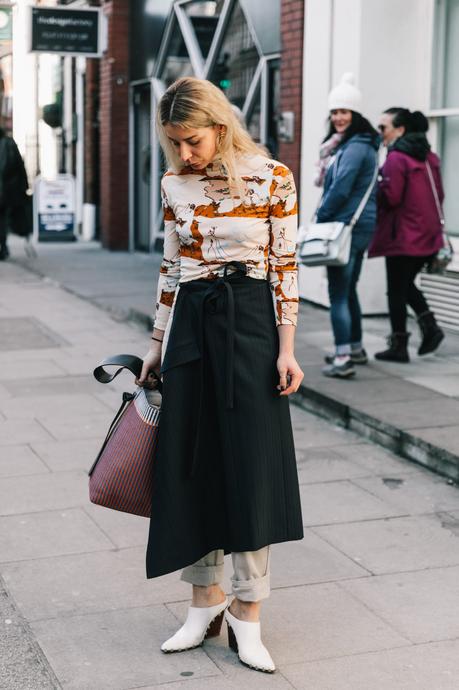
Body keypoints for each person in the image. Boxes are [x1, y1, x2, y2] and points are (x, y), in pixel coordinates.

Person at [137, 77, 304, 673]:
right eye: (175, 143)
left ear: (219, 125)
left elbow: (285, 265)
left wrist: (287, 350)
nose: (185, 153)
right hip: (191, 332)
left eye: (193, 139)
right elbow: (172, 264)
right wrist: (156, 344)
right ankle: (202, 603)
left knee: (252, 469)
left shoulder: (271, 177)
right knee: (193, 465)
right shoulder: (173, 183)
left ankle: (248, 613)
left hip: (254, 328)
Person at [315, 73, 379, 378]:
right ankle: (354, 347)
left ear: (355, 114)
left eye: (344, 112)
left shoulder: (354, 147)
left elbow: (340, 189)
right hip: (359, 226)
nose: (338, 117)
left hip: (345, 226)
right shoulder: (358, 144)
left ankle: (342, 358)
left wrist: (319, 219)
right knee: (348, 289)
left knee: (338, 292)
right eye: (335, 112)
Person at [368, 109, 445, 361]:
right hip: (428, 233)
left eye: (384, 127)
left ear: (400, 130)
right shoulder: (429, 157)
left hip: (403, 235)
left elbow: (391, 197)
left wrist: (379, 184)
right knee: (405, 285)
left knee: (397, 290)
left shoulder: (397, 158)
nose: (381, 133)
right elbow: (440, 195)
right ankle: (428, 327)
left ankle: (400, 345)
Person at [0, 128, 29, 260]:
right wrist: (23, 188)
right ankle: (3, 247)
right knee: (3, 219)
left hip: (4, 191)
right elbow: (20, 167)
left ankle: (3, 247)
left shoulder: (7, 145)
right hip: (7, 192)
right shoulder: (9, 144)